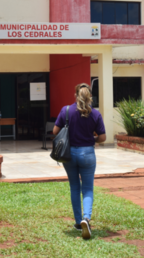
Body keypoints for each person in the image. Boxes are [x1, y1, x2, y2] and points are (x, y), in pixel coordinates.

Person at [53, 83, 106, 240]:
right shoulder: (95, 114)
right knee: (88, 188)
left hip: (69, 154)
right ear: (89, 96)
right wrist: (91, 137)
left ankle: (78, 222)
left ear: (75, 95)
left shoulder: (66, 111)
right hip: (88, 153)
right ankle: (86, 219)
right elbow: (103, 138)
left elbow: (55, 132)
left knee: (75, 187)